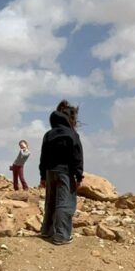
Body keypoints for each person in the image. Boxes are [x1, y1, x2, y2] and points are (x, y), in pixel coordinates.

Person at [39, 100, 84, 245]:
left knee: (51, 202)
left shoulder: (48, 134)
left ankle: (47, 231)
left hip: (49, 172)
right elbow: (77, 157)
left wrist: (42, 176)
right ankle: (62, 236)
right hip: (65, 173)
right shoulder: (72, 134)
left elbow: (43, 156)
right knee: (65, 203)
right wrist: (78, 175)